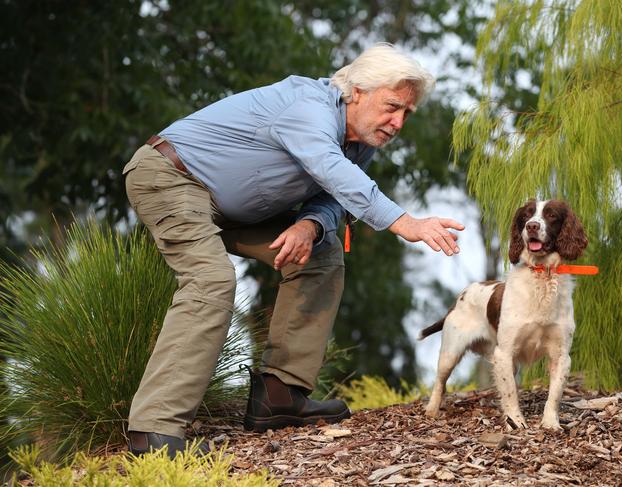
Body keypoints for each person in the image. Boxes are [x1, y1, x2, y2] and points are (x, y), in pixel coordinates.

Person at [123, 43, 464, 457]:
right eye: (392, 106)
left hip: (236, 208)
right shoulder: (308, 106)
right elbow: (332, 170)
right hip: (171, 177)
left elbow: (333, 195)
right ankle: (153, 431)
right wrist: (406, 222)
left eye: (406, 113)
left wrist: (309, 224)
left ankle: (279, 394)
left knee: (321, 252)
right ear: (357, 91)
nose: (397, 122)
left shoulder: (362, 142)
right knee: (211, 280)